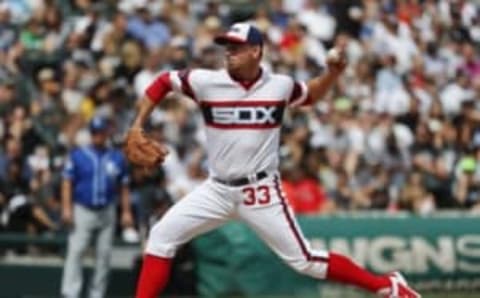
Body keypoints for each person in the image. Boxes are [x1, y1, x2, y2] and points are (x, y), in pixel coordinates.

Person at [124, 23, 421, 298]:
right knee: (161, 236)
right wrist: (138, 124)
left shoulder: (278, 85)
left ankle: (387, 286)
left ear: (256, 51)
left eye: (236, 47)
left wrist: (332, 74)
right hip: (216, 189)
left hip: (260, 191)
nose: (229, 52)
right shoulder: (205, 81)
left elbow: (310, 95)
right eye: (227, 46)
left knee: (305, 261)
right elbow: (162, 82)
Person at [60, 116, 134, 298]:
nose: (97, 136)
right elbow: (67, 182)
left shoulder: (116, 157)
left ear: (106, 134)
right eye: (94, 133)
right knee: (76, 252)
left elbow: (124, 185)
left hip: (107, 210)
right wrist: (67, 208)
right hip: (83, 209)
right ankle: (70, 293)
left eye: (100, 133)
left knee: (104, 256)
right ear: (90, 134)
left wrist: (126, 211)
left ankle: (97, 294)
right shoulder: (78, 155)